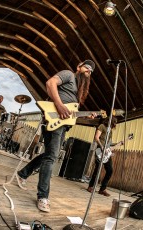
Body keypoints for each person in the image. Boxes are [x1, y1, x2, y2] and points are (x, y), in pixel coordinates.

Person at [16, 60, 96, 212]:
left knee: (49, 155)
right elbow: (50, 83)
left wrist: (87, 116)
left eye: (91, 71)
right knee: (51, 156)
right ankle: (43, 196)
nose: (89, 71)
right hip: (53, 120)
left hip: (62, 125)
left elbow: (71, 115)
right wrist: (59, 105)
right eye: (87, 67)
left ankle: (23, 174)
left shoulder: (77, 94)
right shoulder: (68, 74)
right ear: (79, 66)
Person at [87, 116, 118, 197]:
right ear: (111, 121)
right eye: (115, 122)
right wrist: (102, 147)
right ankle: (91, 186)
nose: (115, 124)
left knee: (110, 170)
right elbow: (96, 137)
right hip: (100, 150)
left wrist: (118, 143)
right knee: (97, 169)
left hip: (106, 152)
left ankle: (102, 189)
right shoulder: (102, 126)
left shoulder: (110, 130)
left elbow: (109, 143)